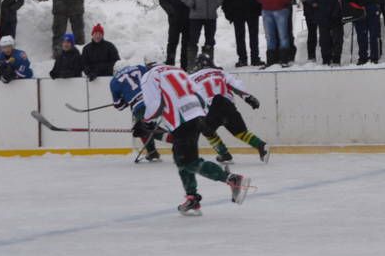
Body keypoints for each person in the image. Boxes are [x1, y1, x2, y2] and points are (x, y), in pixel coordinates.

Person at [138, 62, 252, 216]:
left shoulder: (148, 76)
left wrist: (144, 122)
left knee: (187, 161)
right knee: (182, 157)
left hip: (181, 119)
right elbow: (199, 93)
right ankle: (192, 197)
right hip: (196, 114)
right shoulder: (178, 69)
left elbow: (155, 105)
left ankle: (232, 179)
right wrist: (201, 115)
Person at [189, 53, 271, 164]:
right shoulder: (221, 73)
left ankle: (224, 154)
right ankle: (262, 146)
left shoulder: (191, 78)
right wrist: (249, 98)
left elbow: (187, 97)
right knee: (240, 132)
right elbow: (237, 86)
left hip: (211, 108)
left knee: (207, 130)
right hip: (227, 104)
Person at [109, 56, 162, 161]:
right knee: (155, 126)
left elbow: (119, 106)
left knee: (142, 129)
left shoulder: (114, 81)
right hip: (154, 100)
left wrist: (126, 100)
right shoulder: (140, 67)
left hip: (139, 107)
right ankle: (178, 141)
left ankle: (153, 152)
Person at [158, 0, 193, 67]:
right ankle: (170, 65)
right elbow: (162, 0)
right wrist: (171, 11)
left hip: (189, 17)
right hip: (174, 18)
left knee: (186, 43)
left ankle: (185, 66)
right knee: (172, 42)